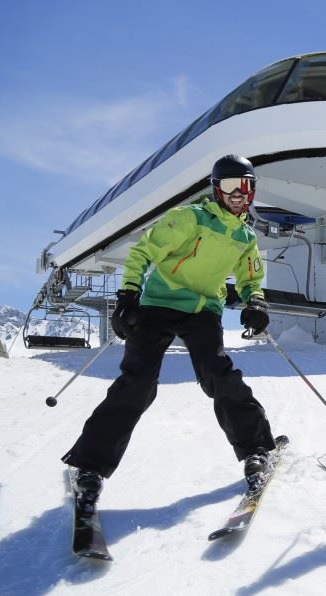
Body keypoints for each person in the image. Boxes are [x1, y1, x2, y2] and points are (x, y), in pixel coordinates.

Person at [61, 154, 279, 507]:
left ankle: (256, 449)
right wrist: (128, 295)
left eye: (246, 186)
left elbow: (251, 277)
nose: (238, 194)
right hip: (159, 305)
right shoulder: (189, 218)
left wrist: (256, 302)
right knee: (138, 383)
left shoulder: (245, 236)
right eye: (230, 186)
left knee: (218, 376)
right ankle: (90, 466)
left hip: (202, 310)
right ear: (216, 190)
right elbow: (142, 252)